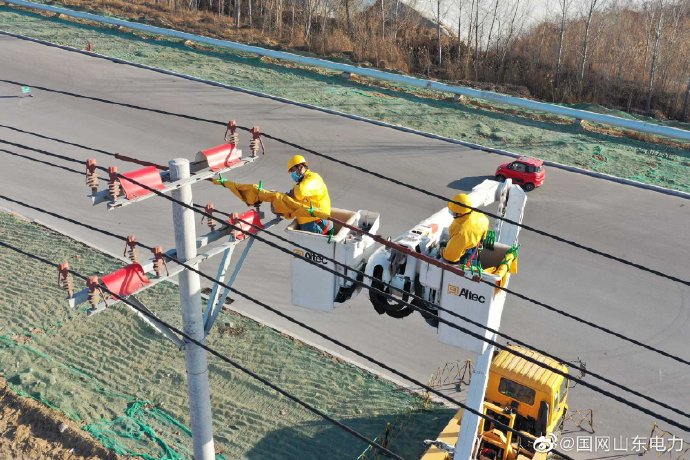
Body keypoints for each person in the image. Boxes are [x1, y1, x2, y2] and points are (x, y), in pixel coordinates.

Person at [286, 154, 333, 234]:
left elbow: (300, 192)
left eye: (293, 171)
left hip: (316, 224)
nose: (292, 175)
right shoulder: (302, 183)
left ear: (300, 167)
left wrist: (289, 194)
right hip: (312, 223)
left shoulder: (313, 178)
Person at [442, 193, 489, 265]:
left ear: (460, 213)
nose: (452, 213)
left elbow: (450, 258)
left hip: (465, 257)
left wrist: (441, 251)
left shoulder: (461, 232)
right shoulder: (481, 216)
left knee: (443, 246)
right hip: (474, 249)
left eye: (453, 212)